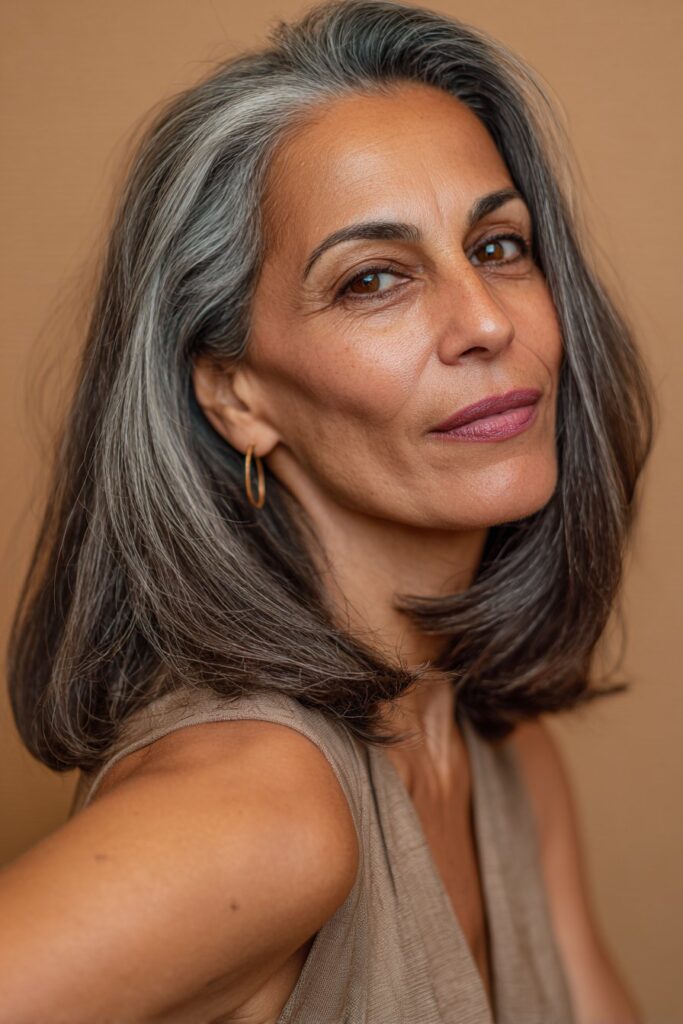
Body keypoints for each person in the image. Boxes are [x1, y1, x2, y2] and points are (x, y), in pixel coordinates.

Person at [3, 0, 654, 1021]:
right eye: (372, 279)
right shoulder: (261, 809)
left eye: (495, 247)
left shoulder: (504, 757)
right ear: (235, 396)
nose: (485, 321)